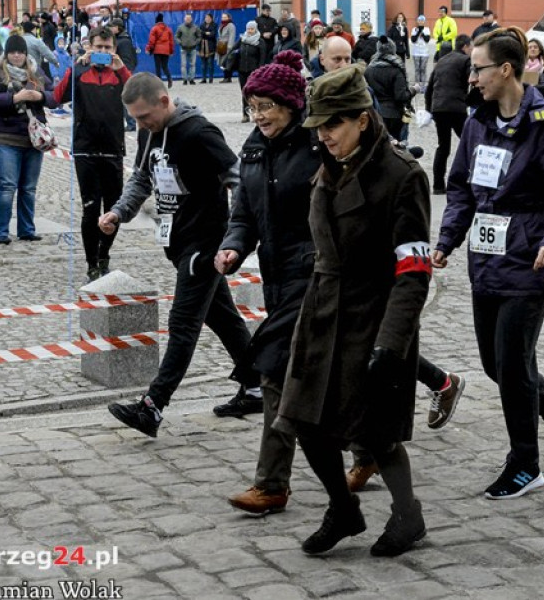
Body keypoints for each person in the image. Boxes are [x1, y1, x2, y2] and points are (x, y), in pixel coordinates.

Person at [432, 27, 544, 499]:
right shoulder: (477, 123)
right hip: (485, 260)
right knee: (496, 364)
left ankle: (525, 463)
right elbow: (462, 186)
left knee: (512, 363)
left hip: (529, 263)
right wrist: (448, 239)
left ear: (506, 70)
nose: (471, 78)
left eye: (478, 69)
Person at [276, 65, 432, 557]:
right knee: (302, 416)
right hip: (323, 308)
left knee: (376, 431)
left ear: (363, 119)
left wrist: (392, 342)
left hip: (373, 314)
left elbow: (413, 271)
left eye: (334, 125)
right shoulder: (328, 162)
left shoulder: (402, 176)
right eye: (319, 126)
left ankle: (408, 516)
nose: (324, 135)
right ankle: (343, 509)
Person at [102, 73, 253, 437]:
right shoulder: (148, 132)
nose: (140, 124)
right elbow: (142, 178)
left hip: (205, 245)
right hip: (179, 241)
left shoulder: (200, 133)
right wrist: (118, 213)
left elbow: (239, 179)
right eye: (135, 118)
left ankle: (152, 407)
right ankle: (259, 384)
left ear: (165, 101)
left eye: (144, 116)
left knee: (183, 324)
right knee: (224, 319)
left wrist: (234, 236)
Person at [216, 53, 315, 516]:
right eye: (252, 106)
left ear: (291, 103)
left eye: (266, 106)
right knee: (319, 379)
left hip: (316, 276)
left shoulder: (318, 145)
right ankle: (370, 452)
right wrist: (234, 247)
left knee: (274, 369)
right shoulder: (253, 148)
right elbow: (244, 213)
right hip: (277, 277)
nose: (258, 116)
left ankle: (272, 484)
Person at [53, 25, 132, 282]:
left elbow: (139, 96)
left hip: (112, 150)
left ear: (114, 49)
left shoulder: (119, 73)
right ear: (90, 46)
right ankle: (91, 264)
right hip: (86, 150)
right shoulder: (80, 71)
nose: (102, 52)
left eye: (107, 48)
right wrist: (76, 67)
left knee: (113, 210)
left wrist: (120, 67)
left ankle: (104, 255)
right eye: (98, 47)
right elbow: (57, 97)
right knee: (90, 210)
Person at [0, 34, 58, 245]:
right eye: (13, 52)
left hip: (33, 139)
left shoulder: (36, 72)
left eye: (20, 52)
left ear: (26, 54)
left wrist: (40, 97)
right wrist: (15, 98)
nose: (17, 56)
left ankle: (26, 229)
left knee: (29, 188)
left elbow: (54, 96)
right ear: (7, 54)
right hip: (5, 138)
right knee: (7, 186)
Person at [424, 34, 472, 194]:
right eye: (470, 47)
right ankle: (471, 181)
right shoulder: (465, 60)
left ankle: (438, 186)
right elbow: (472, 82)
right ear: (465, 46)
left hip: (439, 108)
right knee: (470, 142)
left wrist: (429, 109)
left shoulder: (441, 61)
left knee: (443, 146)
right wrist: (470, 101)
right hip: (456, 107)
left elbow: (429, 88)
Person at [365, 36, 416, 141]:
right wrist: (414, 90)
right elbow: (401, 96)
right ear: (393, 50)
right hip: (393, 114)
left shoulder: (369, 69)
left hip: (374, 113)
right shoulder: (396, 69)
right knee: (395, 146)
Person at [230, 20, 267, 122]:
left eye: (252, 29)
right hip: (242, 70)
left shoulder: (260, 41)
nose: (250, 31)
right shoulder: (242, 39)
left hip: (254, 71)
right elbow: (233, 50)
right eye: (248, 29)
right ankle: (245, 114)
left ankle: (256, 113)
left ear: (255, 29)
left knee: (254, 94)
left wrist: (260, 70)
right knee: (244, 92)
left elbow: (262, 57)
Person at [107, 17, 138, 131]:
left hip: (123, 71)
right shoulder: (122, 39)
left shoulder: (123, 41)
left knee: (124, 98)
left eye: (111, 26)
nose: (110, 28)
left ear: (117, 28)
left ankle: (131, 123)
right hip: (122, 71)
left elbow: (128, 59)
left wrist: (125, 71)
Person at [147, 13, 174, 88]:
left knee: (158, 67)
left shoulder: (154, 28)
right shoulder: (168, 29)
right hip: (166, 51)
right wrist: (171, 51)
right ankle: (169, 78)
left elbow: (151, 41)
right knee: (165, 66)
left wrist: (149, 49)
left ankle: (159, 84)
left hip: (157, 51)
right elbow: (171, 42)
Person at [176, 14, 202, 85]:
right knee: (183, 65)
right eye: (186, 18)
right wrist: (180, 43)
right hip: (183, 49)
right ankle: (184, 79)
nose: (188, 20)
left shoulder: (195, 27)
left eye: (189, 18)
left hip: (193, 49)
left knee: (192, 64)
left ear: (191, 19)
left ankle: (191, 79)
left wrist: (195, 43)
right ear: (184, 19)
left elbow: (199, 37)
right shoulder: (180, 27)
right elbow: (176, 36)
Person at [410, 15, 431, 89]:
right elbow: (413, 40)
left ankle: (423, 85)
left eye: (422, 20)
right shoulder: (414, 29)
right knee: (417, 69)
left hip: (424, 53)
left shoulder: (427, 29)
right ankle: (417, 85)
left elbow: (427, 40)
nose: (421, 22)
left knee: (423, 69)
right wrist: (418, 32)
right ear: (417, 21)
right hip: (416, 52)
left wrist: (423, 33)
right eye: (419, 20)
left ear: (424, 21)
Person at [217, 14, 237, 83]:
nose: (223, 18)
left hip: (228, 46)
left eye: (225, 17)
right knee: (222, 62)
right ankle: (226, 77)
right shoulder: (221, 25)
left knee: (227, 62)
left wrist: (230, 47)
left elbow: (232, 36)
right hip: (221, 46)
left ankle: (227, 77)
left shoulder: (231, 25)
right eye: (222, 17)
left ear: (229, 18)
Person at [199, 13, 218, 84]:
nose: (207, 19)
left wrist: (206, 34)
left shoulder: (214, 25)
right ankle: (203, 78)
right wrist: (206, 33)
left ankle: (211, 78)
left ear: (211, 18)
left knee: (210, 64)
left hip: (211, 47)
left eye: (208, 18)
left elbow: (212, 35)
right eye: (206, 18)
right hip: (202, 47)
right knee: (203, 65)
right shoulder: (201, 25)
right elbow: (200, 34)